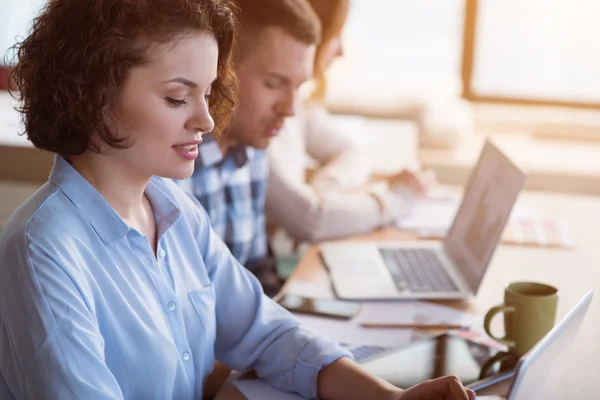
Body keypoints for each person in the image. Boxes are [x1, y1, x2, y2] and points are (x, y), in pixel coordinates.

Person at [0, 0, 476, 399]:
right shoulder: (44, 250)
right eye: (177, 97)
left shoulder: (172, 208)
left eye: (207, 93)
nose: (206, 121)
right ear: (94, 93)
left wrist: (388, 397)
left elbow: (267, 332)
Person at [175, 0, 322, 296]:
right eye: (273, 83)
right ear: (222, 72)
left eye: (299, 87)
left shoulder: (254, 148)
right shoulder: (174, 161)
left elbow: (256, 271)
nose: (290, 109)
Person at [265, 0, 436, 243]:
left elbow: (352, 151)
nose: (342, 50)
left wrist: (326, 188)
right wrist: (399, 200)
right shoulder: (257, 122)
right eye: (336, 35)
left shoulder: (298, 105)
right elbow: (312, 219)